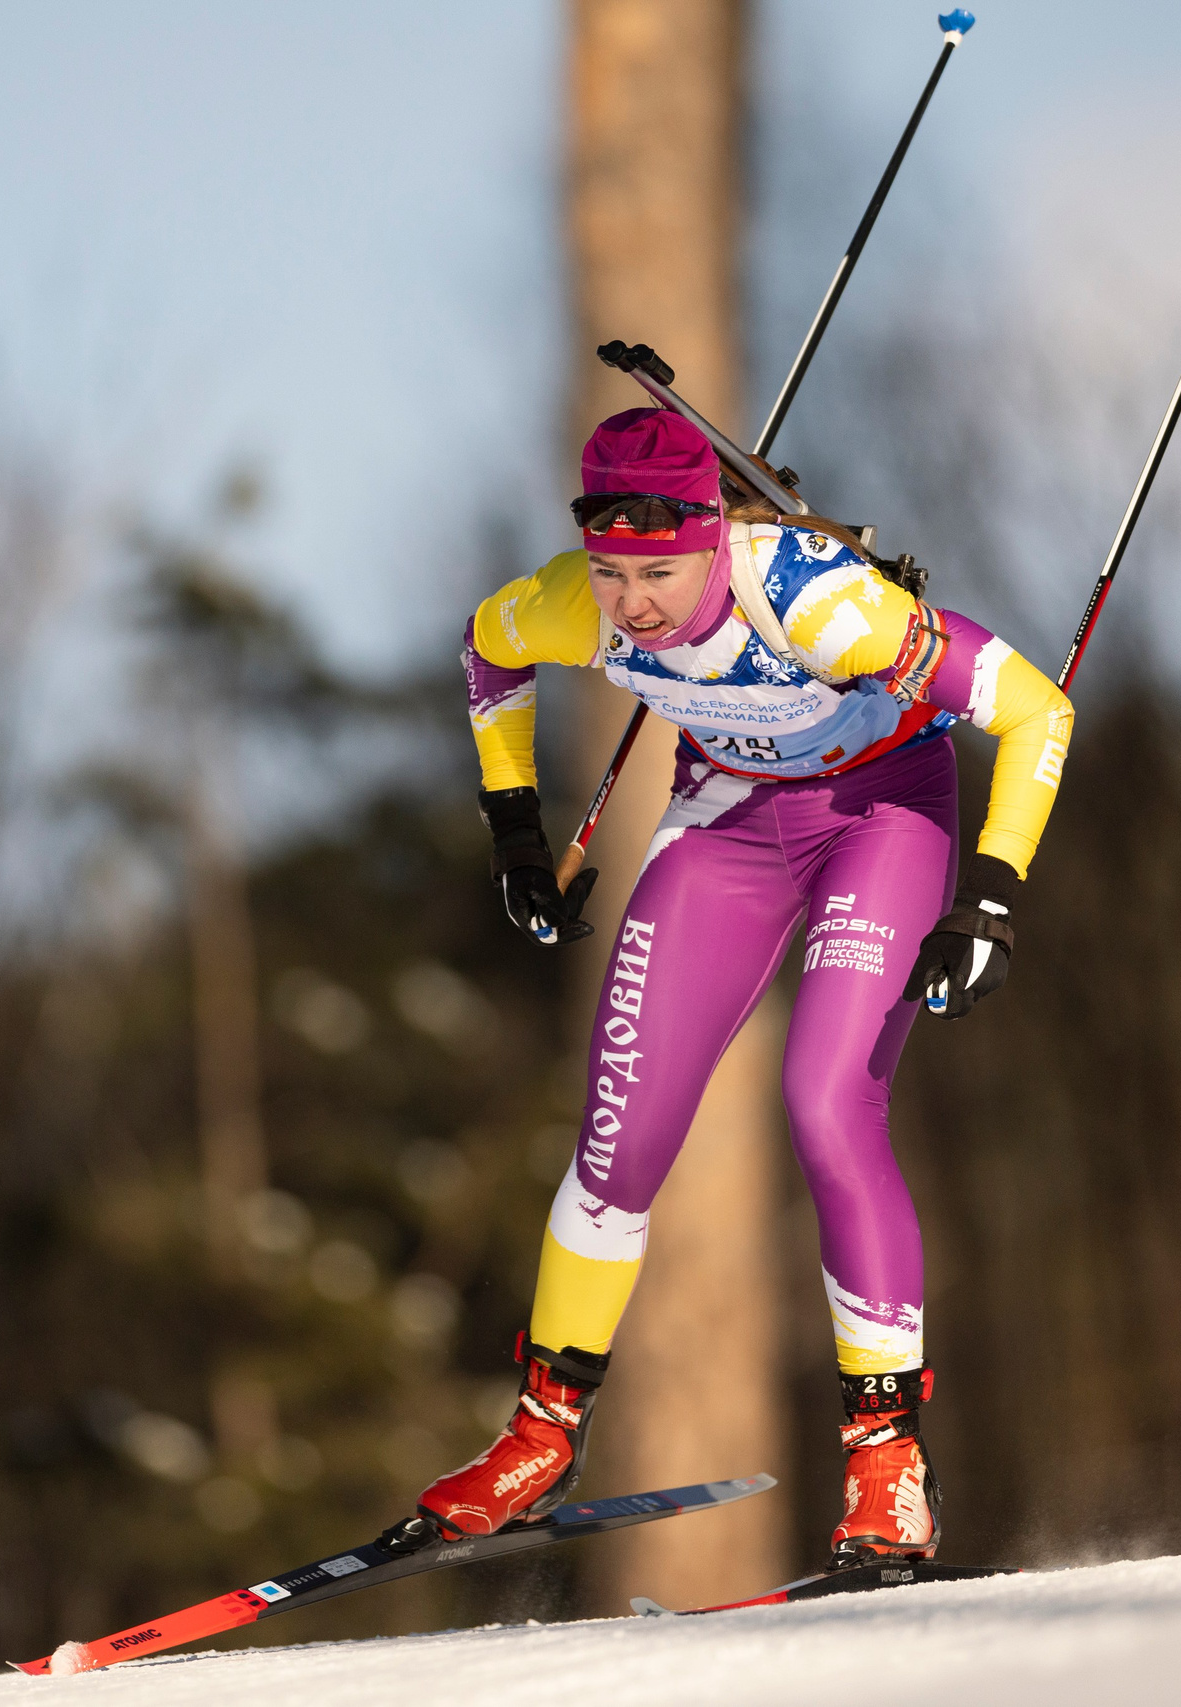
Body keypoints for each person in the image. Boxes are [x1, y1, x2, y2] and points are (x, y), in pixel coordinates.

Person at [417, 405, 1074, 1564]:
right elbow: (487, 650)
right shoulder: (572, 603)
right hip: (727, 824)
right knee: (617, 1136)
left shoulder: (822, 602)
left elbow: (1036, 710)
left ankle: (887, 1466)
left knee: (826, 1106)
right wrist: (514, 828)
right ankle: (540, 1435)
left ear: (714, 534)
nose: (635, 606)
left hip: (881, 814)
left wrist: (990, 900)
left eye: (659, 571)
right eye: (613, 574)